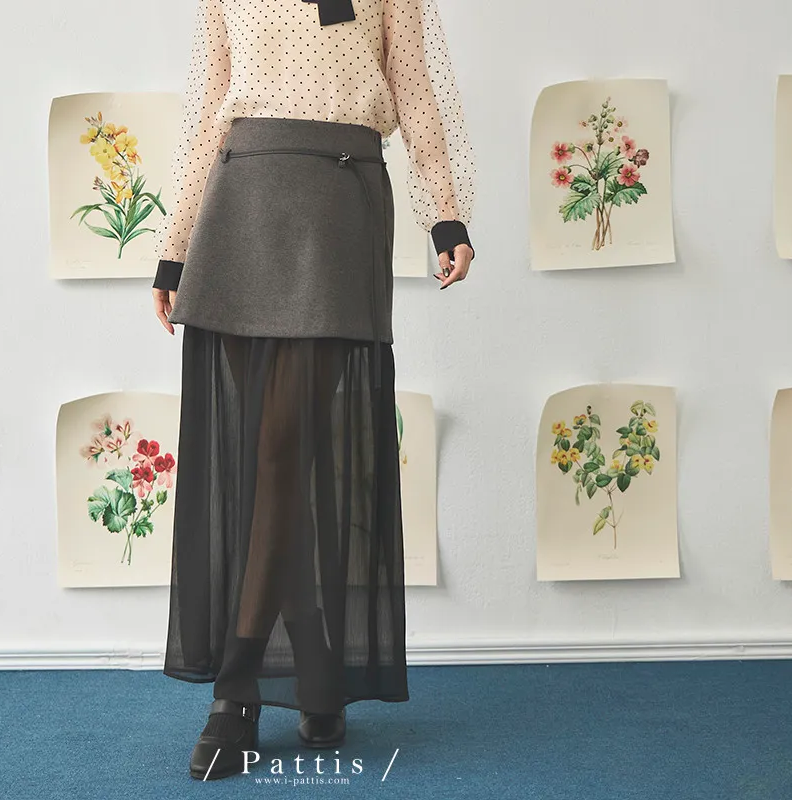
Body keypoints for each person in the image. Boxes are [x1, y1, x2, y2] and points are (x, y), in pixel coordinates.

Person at [149, 0, 476, 780]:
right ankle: (318, 670)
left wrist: (447, 216)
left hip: (338, 206)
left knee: (280, 453)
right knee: (276, 461)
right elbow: (205, 112)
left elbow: (418, 93)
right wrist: (173, 247)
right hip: (241, 203)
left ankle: (236, 691)